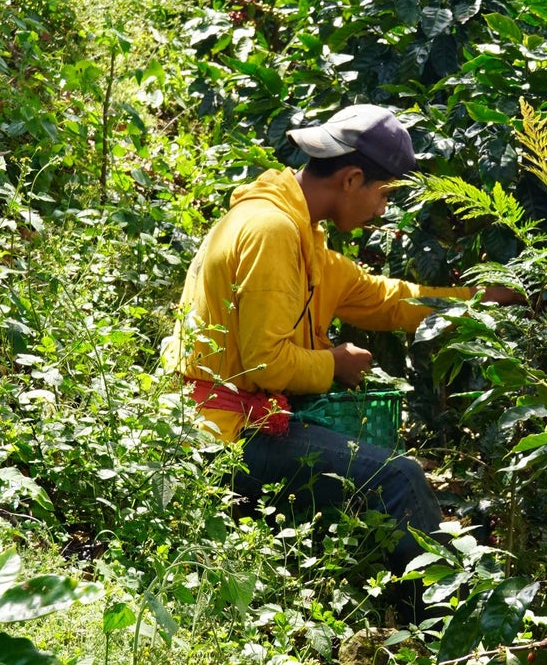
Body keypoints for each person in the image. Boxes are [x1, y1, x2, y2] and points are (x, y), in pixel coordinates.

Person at [176, 103, 519, 571]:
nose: (382, 211)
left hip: (242, 424)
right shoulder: (271, 231)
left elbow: (389, 299)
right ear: (352, 178)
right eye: (384, 195)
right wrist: (335, 363)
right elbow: (266, 363)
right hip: (220, 437)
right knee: (398, 477)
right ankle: (442, 626)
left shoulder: (300, 234)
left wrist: (488, 298)